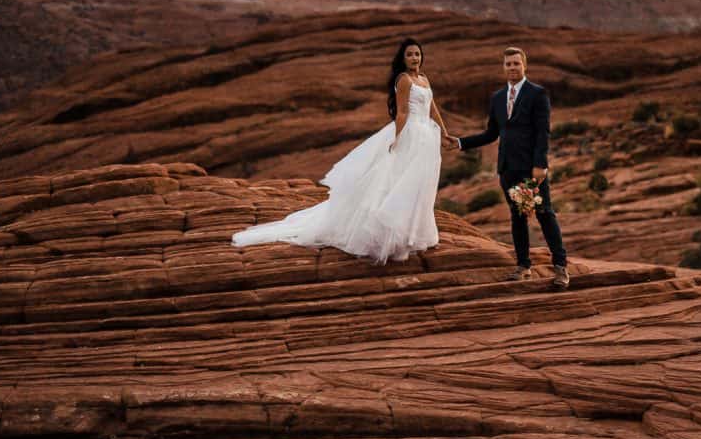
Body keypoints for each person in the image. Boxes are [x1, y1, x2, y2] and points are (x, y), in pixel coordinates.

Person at [231, 38, 449, 264]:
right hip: (410, 134)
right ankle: (389, 234)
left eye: (417, 54)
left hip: (426, 137)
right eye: (410, 55)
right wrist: (398, 139)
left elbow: (432, 107)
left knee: (419, 185)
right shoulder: (403, 80)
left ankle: (414, 232)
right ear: (403, 59)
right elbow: (402, 112)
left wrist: (443, 133)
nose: (415, 58)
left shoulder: (423, 79)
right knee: (398, 184)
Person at [446, 47, 570, 289]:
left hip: (531, 168)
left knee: (545, 214)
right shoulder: (497, 98)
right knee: (517, 217)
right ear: (503, 67)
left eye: (516, 63)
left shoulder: (537, 94)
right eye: (508, 64)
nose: (512, 67)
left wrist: (540, 164)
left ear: (524, 65)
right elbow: (491, 133)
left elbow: (543, 132)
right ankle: (524, 266)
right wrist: (460, 142)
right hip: (507, 168)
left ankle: (561, 268)